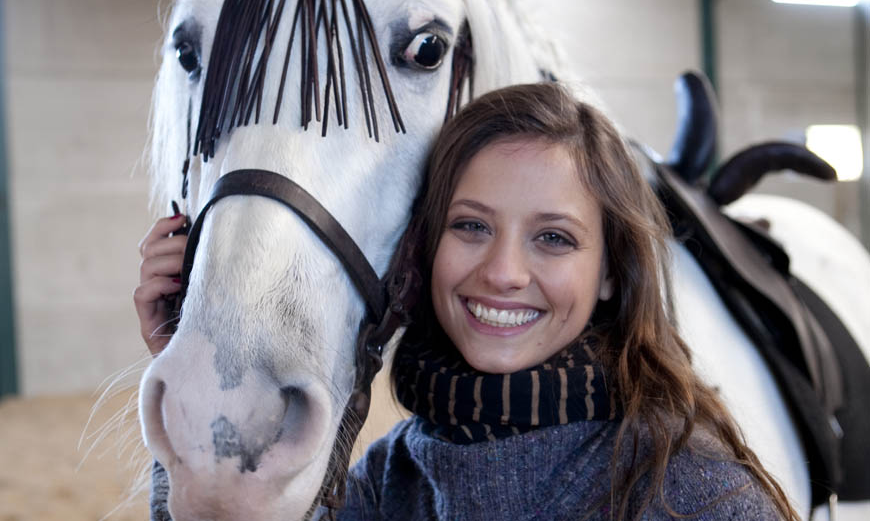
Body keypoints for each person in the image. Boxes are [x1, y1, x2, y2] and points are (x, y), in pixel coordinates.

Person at [136, 83, 797, 520]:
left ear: (610, 273)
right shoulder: (388, 479)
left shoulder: (698, 496)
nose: (504, 273)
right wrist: (194, 372)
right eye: (471, 226)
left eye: (554, 238)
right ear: (427, 248)